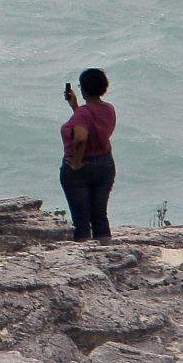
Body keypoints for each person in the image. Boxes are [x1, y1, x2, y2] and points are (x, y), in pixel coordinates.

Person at [57, 68, 116, 242]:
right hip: (105, 164)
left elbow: (81, 137)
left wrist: (76, 162)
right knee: (100, 215)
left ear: (83, 89)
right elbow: (92, 127)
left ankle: (85, 252)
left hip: (82, 168)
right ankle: (106, 250)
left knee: (81, 219)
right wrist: (75, 107)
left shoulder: (83, 113)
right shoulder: (108, 109)